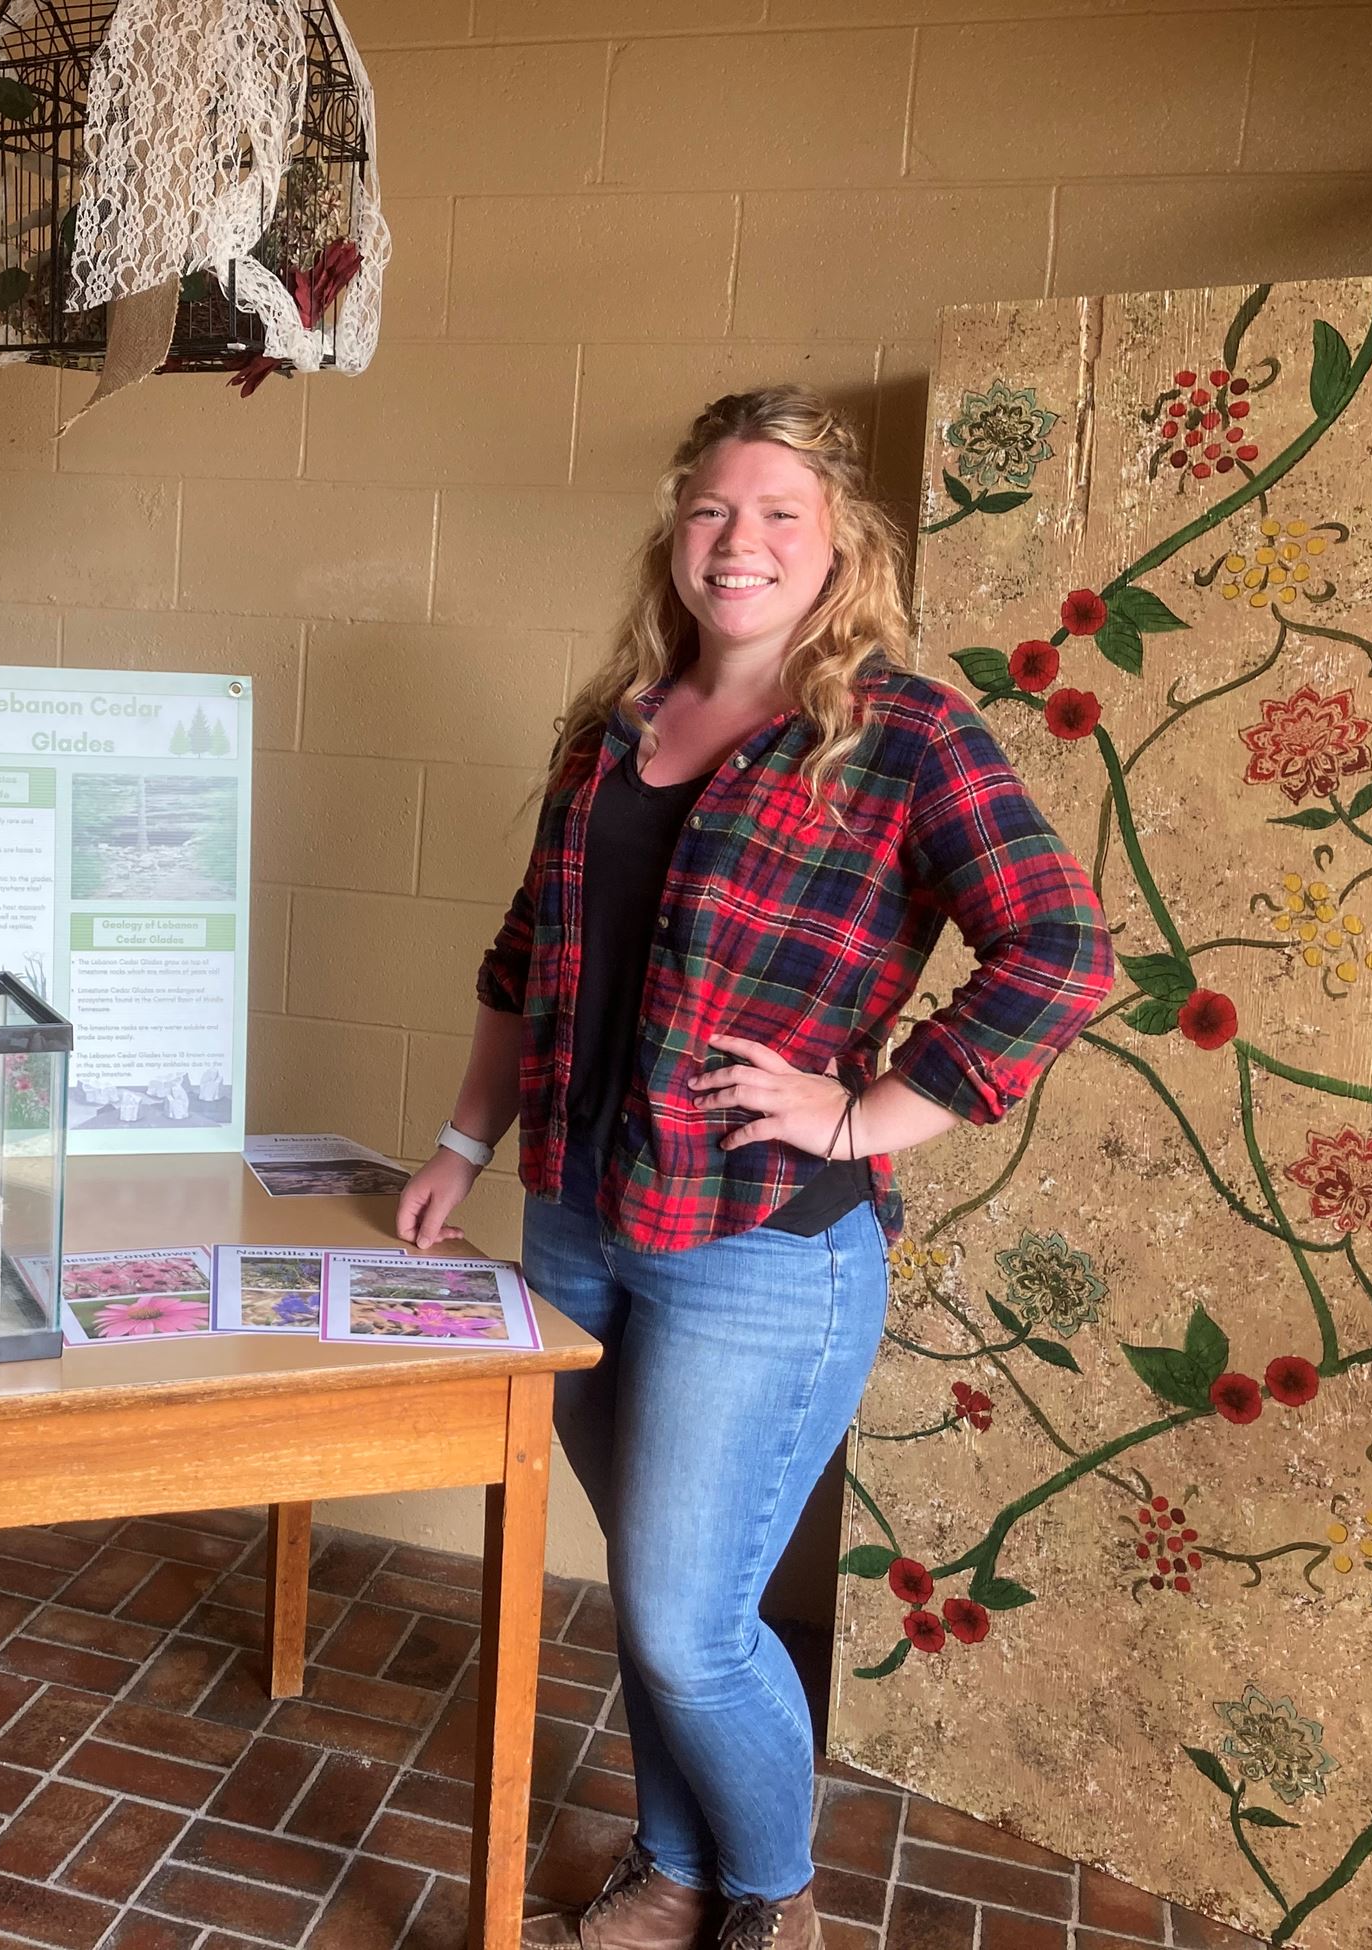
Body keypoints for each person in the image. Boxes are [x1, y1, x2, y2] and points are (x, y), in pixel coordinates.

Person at [396, 387, 1115, 1950]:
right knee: (669, 1606)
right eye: (715, 510)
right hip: (582, 1226)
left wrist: (865, 1116)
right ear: (677, 533)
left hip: (760, 1253)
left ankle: (773, 1899)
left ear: (839, 542)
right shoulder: (617, 730)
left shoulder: (903, 731)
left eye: (779, 512)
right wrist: (467, 1145)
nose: (742, 542)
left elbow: (1059, 950)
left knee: (684, 1616)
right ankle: (673, 1869)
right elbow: (524, 961)